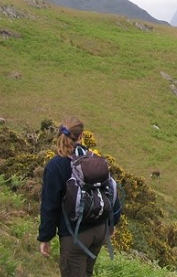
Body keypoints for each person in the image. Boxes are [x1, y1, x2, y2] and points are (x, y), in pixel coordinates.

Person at [38, 117, 121, 277]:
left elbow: (50, 206)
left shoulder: (55, 166)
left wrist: (45, 237)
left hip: (75, 237)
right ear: (82, 135)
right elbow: (110, 191)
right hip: (99, 230)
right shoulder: (95, 159)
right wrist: (111, 224)